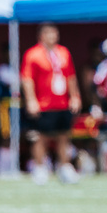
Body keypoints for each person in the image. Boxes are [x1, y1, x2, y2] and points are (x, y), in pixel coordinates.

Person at [22, 23, 82, 185]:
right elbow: (27, 79)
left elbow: (71, 76)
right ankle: (40, 168)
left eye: (55, 33)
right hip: (43, 103)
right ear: (41, 36)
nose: (53, 37)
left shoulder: (63, 52)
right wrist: (31, 100)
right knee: (41, 137)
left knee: (64, 136)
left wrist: (74, 96)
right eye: (49, 34)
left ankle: (64, 167)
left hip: (62, 102)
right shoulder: (33, 54)